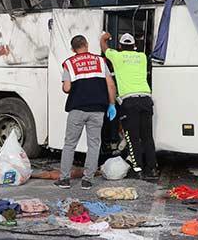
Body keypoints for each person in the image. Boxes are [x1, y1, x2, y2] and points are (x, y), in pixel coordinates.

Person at [54, 35, 117, 190]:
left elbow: (67, 88)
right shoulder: (100, 61)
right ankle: (87, 180)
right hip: (97, 110)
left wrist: (65, 85)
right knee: (94, 144)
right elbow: (110, 84)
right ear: (87, 44)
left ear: (72, 49)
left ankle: (64, 180)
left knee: (70, 144)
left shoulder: (69, 63)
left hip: (77, 109)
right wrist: (112, 104)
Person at [100, 32, 158, 179]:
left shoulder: (117, 57)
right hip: (146, 99)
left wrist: (104, 38)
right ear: (134, 46)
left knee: (132, 137)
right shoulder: (142, 57)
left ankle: (137, 169)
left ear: (120, 46)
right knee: (147, 137)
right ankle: (152, 169)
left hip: (129, 101)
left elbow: (104, 48)